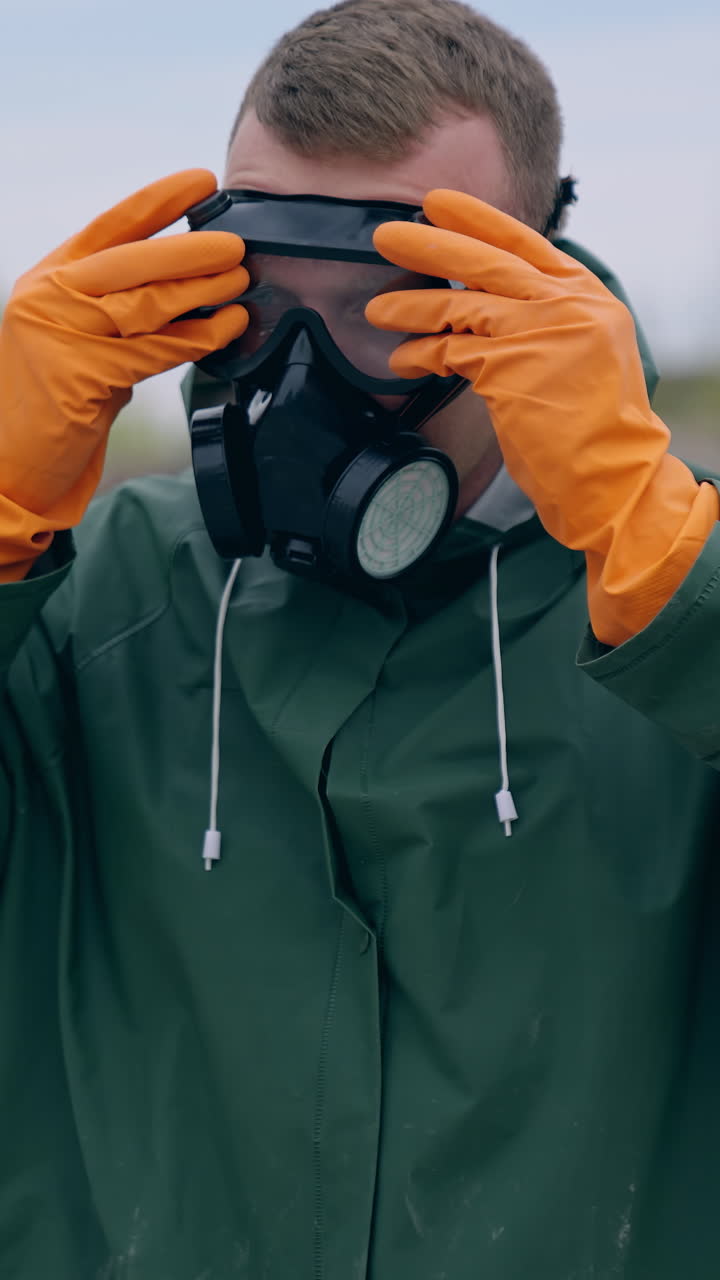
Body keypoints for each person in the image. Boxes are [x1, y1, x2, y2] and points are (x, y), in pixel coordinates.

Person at [1, 1, 719, 1276]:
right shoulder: (82, 605)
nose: (303, 377)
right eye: (263, 305)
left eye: (391, 314)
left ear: (537, 285)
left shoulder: (669, 590)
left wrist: (676, 584)